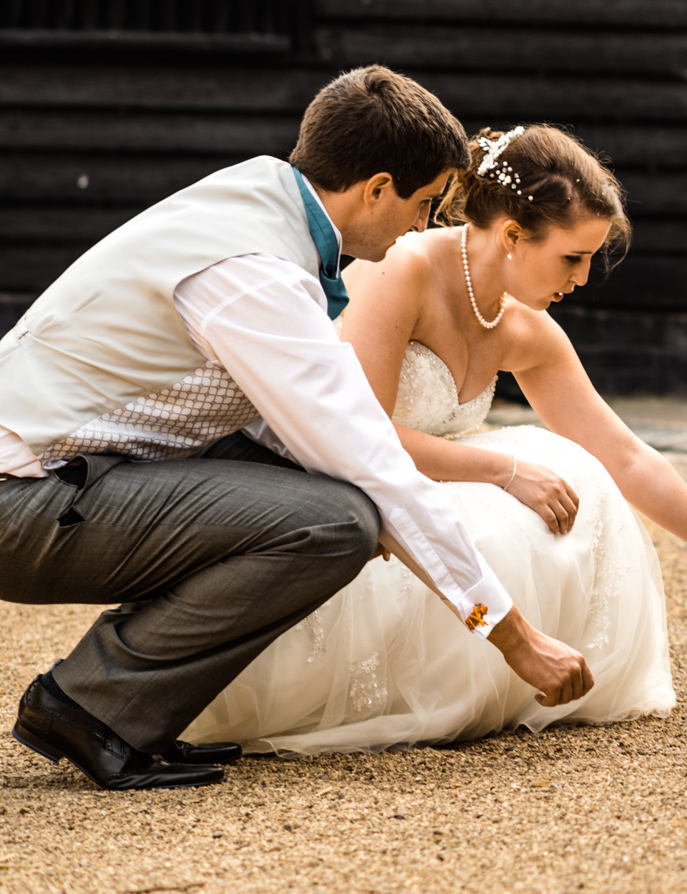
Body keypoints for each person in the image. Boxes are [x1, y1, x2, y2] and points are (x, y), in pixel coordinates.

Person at [0, 68, 592, 790]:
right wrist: (515, 639)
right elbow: (368, 456)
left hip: (63, 475)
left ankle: (112, 707)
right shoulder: (257, 270)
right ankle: (92, 705)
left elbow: (295, 437)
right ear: (375, 188)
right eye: (425, 202)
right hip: (20, 501)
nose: (424, 224)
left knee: (329, 498)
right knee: (335, 521)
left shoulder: (252, 197)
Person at [187, 124, 687, 753]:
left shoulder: (521, 325)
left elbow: (625, 454)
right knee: (513, 482)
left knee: (575, 471)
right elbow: (355, 436)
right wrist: (500, 469)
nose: (582, 279)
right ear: (511, 235)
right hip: (341, 491)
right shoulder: (404, 269)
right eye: (572, 258)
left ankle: (504, 680)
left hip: (419, 480)